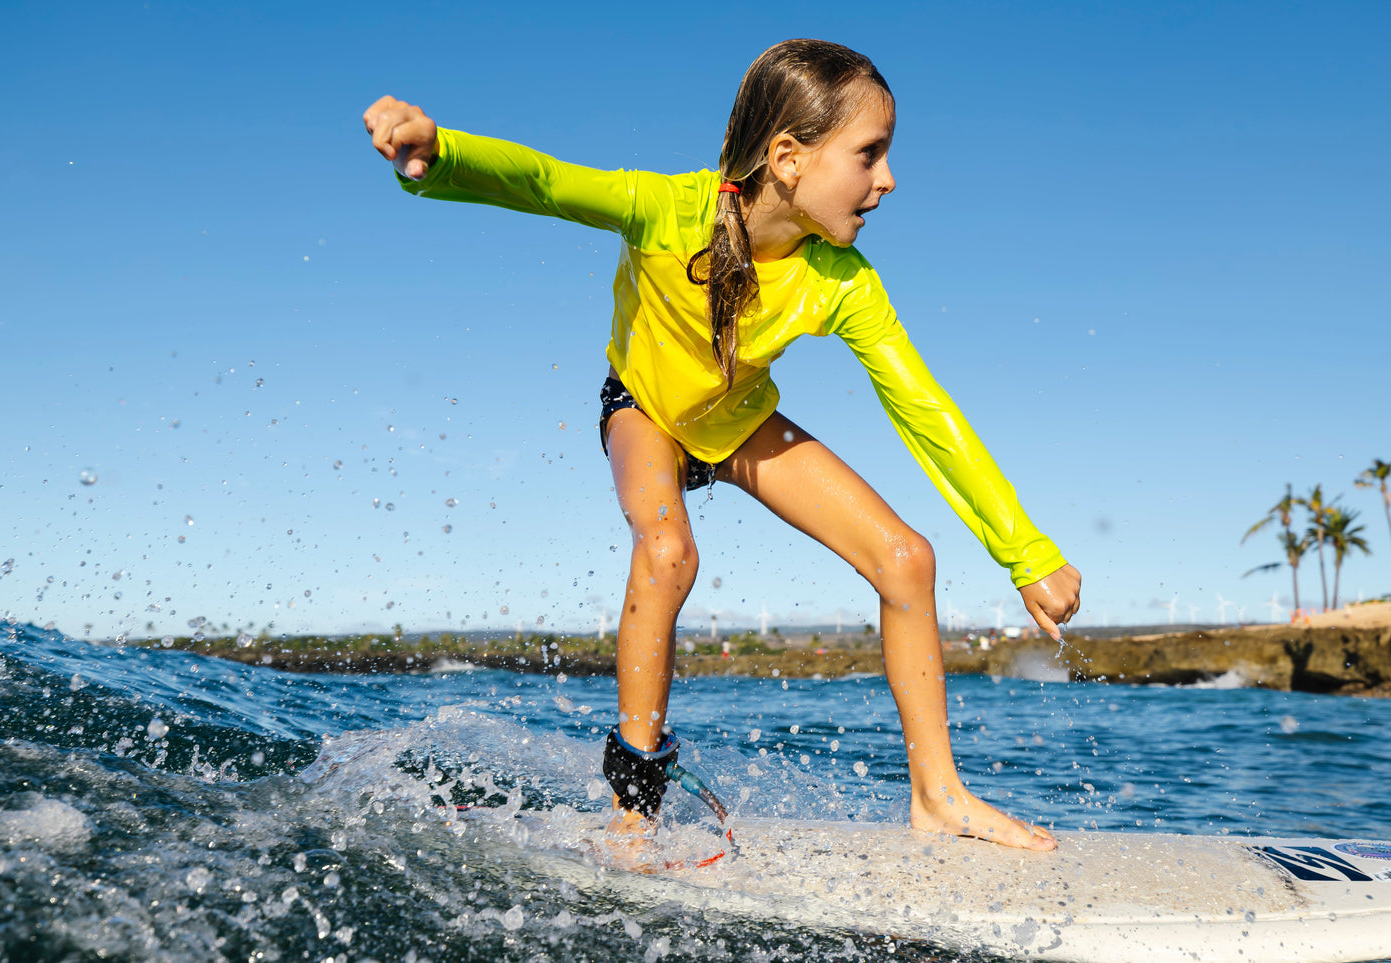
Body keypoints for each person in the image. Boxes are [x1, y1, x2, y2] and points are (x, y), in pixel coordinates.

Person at [364, 38, 1080, 852]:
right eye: (868, 153)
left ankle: (938, 795)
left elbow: (924, 410)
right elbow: (546, 181)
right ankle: (634, 806)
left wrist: (1025, 553)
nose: (886, 179)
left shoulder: (843, 279)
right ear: (788, 157)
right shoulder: (670, 209)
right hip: (643, 407)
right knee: (668, 551)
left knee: (905, 557)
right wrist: (441, 153)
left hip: (735, 421)